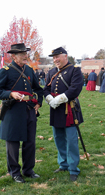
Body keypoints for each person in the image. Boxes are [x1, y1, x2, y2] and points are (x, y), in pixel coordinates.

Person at [0, 43, 43, 183]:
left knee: (30, 142)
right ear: (14, 56)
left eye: (26, 53)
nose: (26, 56)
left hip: (29, 111)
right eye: (22, 54)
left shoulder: (30, 70)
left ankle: (28, 170)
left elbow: (38, 89)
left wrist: (39, 102)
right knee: (13, 144)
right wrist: (10, 93)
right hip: (13, 112)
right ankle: (14, 172)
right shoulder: (6, 71)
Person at [44, 47, 83, 182]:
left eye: (57, 57)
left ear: (65, 56)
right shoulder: (52, 72)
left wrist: (58, 99)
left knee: (71, 141)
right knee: (58, 138)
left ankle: (73, 169)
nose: (55, 60)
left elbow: (75, 89)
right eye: (53, 58)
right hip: (55, 110)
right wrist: (49, 99)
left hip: (69, 109)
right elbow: (46, 89)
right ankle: (63, 164)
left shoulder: (75, 70)